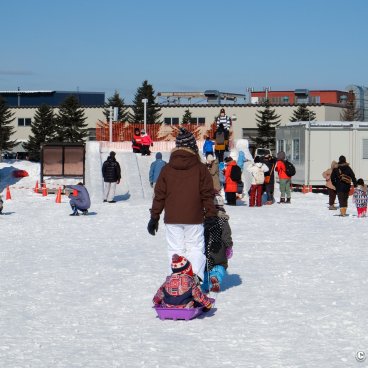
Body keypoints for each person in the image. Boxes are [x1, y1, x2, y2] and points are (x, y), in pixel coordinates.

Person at [147, 128, 217, 283]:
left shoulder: (166, 169)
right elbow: (207, 194)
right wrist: (211, 214)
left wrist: (154, 217)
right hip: (194, 217)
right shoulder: (200, 169)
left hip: (172, 218)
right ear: (193, 147)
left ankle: (177, 280)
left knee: (175, 249)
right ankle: (194, 279)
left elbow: (159, 195)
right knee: (195, 248)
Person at [202, 194, 233, 293]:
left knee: (206, 267)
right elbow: (226, 235)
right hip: (219, 248)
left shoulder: (204, 218)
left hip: (205, 248)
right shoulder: (223, 220)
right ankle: (215, 277)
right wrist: (229, 246)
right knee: (220, 265)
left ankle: (206, 286)